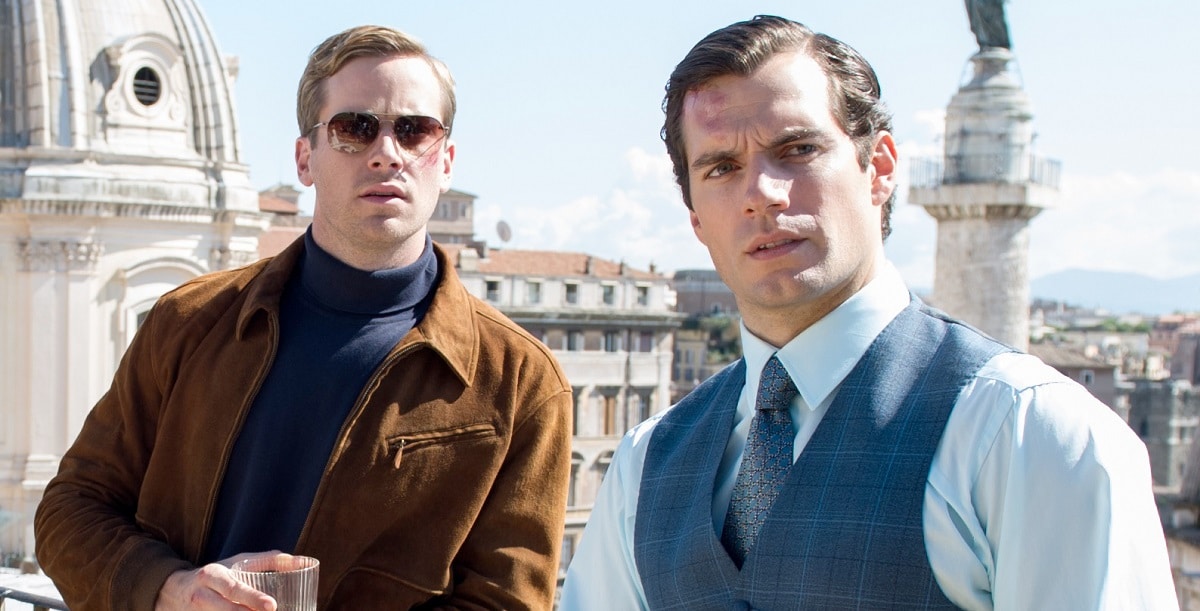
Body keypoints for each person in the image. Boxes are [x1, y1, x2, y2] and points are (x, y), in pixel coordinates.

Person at [561, 15, 1176, 610]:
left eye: (797, 149)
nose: (762, 195)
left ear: (878, 168)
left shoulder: (1029, 434)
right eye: (722, 167)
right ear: (696, 217)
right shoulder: (646, 462)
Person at [35, 24, 573, 610]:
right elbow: (70, 509)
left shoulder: (520, 380)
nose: (386, 152)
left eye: (414, 130)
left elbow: (506, 602)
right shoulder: (188, 322)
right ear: (305, 158)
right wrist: (171, 590)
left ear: (444, 162)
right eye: (354, 128)